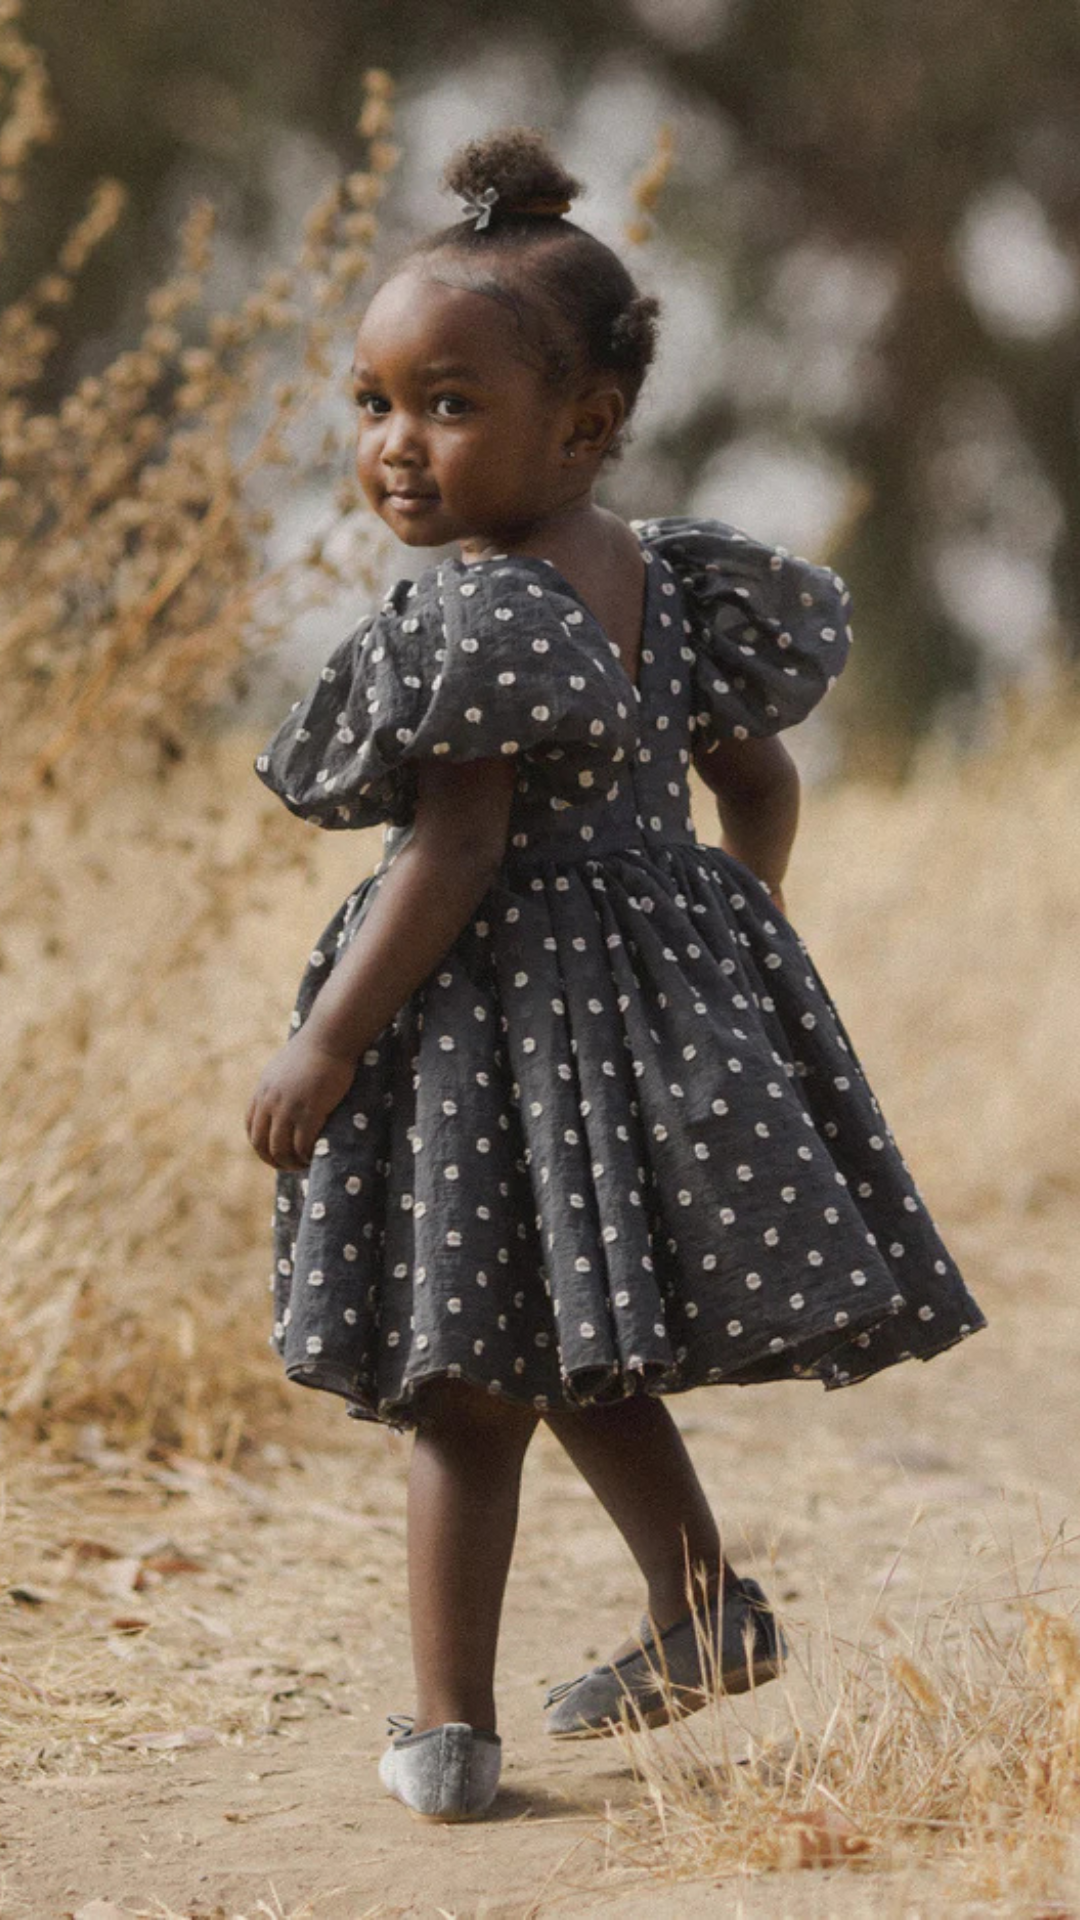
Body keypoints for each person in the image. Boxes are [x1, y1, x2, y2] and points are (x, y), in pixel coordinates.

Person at [247, 127, 985, 1823]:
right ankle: (703, 1611)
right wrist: (735, 926)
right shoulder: (667, 579)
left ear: (581, 423)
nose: (394, 449)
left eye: (447, 404)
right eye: (372, 403)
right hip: (631, 1011)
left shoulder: (479, 609)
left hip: (491, 1022)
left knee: (459, 1385)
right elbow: (761, 782)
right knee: (577, 1346)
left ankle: (449, 1730)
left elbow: (451, 855)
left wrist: (331, 1048)